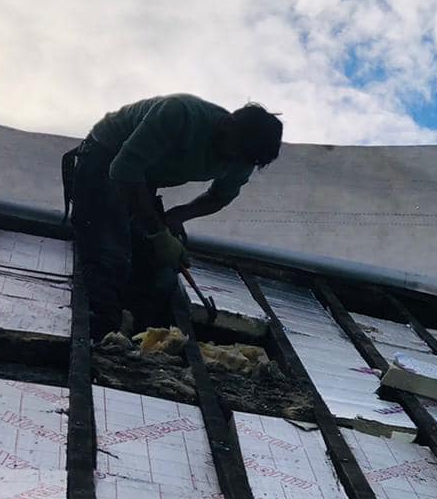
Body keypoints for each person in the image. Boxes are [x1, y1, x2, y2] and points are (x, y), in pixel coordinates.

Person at [65, 95, 282, 333]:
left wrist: (175, 217)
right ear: (229, 124)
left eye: (244, 159)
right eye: (235, 151)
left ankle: (137, 327)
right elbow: (122, 170)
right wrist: (158, 233)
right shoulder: (180, 115)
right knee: (109, 251)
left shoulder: (243, 156)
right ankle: (101, 330)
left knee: (153, 263)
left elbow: (220, 197)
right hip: (105, 157)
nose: (234, 161)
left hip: (141, 176)